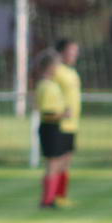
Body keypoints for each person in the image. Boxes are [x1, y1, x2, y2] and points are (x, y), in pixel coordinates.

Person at [39, 38, 82, 209]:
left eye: (76, 51)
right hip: (58, 124)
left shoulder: (72, 72)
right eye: (71, 51)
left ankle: (60, 197)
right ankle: (49, 199)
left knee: (65, 162)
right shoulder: (56, 72)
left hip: (72, 123)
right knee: (55, 162)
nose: (74, 55)